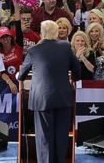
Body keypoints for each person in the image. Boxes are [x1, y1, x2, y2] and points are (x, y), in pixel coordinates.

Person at [17, 20, 80, 163]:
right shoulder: (65, 47)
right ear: (56, 32)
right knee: (61, 136)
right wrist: (73, 79)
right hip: (63, 97)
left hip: (42, 99)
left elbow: (21, 75)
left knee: (44, 137)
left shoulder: (34, 50)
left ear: (41, 33)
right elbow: (77, 68)